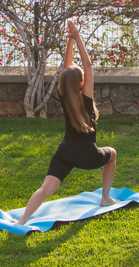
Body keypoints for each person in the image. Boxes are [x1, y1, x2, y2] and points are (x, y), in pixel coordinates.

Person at [16, 20, 117, 225]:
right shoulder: (85, 98)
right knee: (112, 154)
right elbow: (87, 66)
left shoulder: (64, 94)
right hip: (87, 154)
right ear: (81, 83)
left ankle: (22, 219)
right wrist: (77, 36)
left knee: (45, 189)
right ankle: (105, 198)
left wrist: (69, 41)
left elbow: (66, 69)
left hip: (65, 153)